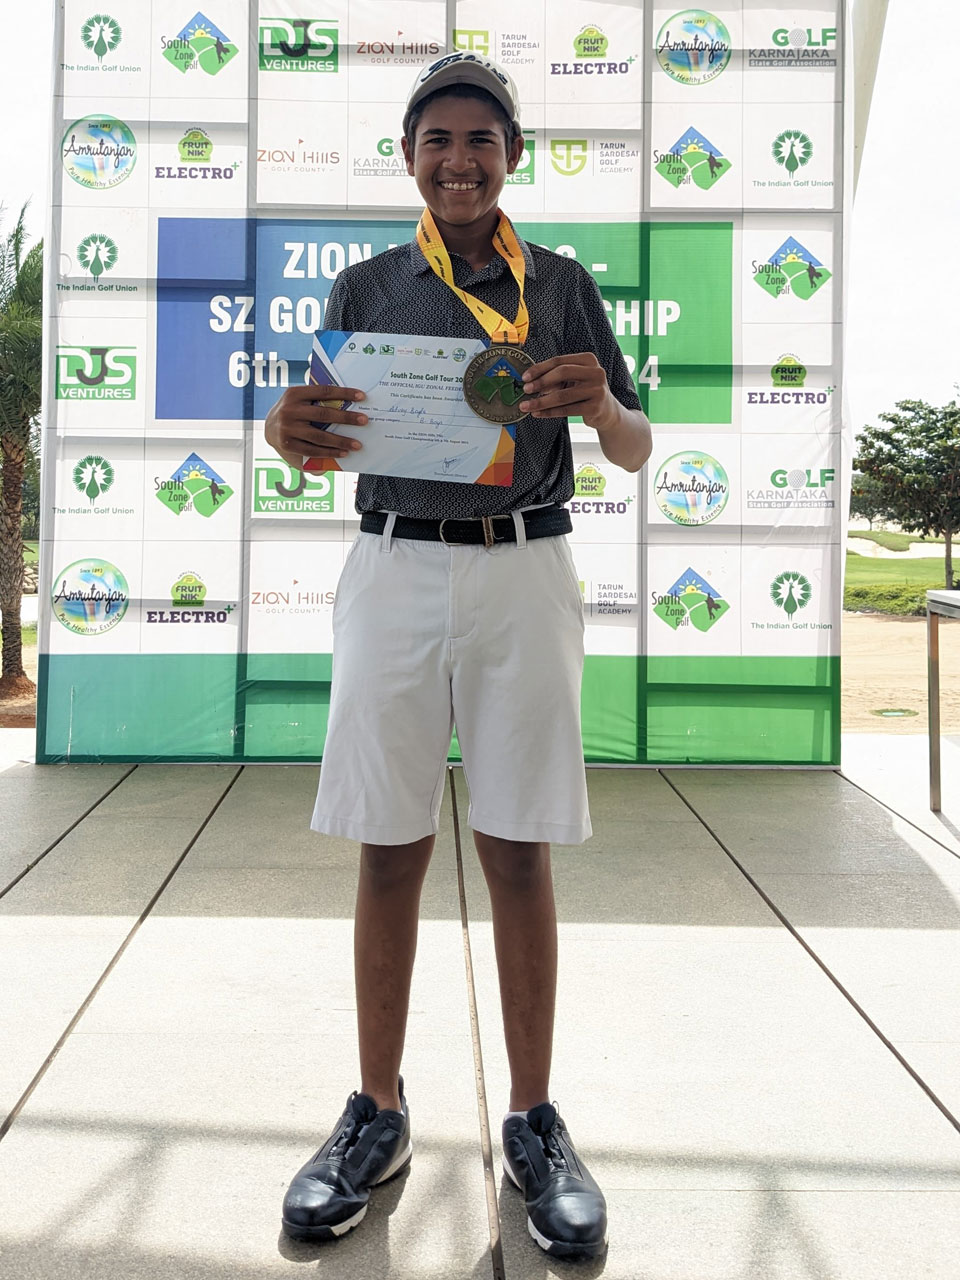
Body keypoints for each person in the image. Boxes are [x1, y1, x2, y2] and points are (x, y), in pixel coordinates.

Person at [264, 51, 652, 1259]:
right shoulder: (369, 282)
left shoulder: (565, 283)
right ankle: (376, 1113)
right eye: (438, 138)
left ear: (513, 158)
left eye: (483, 138)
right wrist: (288, 432)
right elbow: (317, 447)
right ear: (410, 156)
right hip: (392, 566)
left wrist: (600, 408)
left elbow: (635, 448)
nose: (461, 158)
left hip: (523, 563)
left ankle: (532, 1121)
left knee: (517, 847)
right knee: (390, 847)